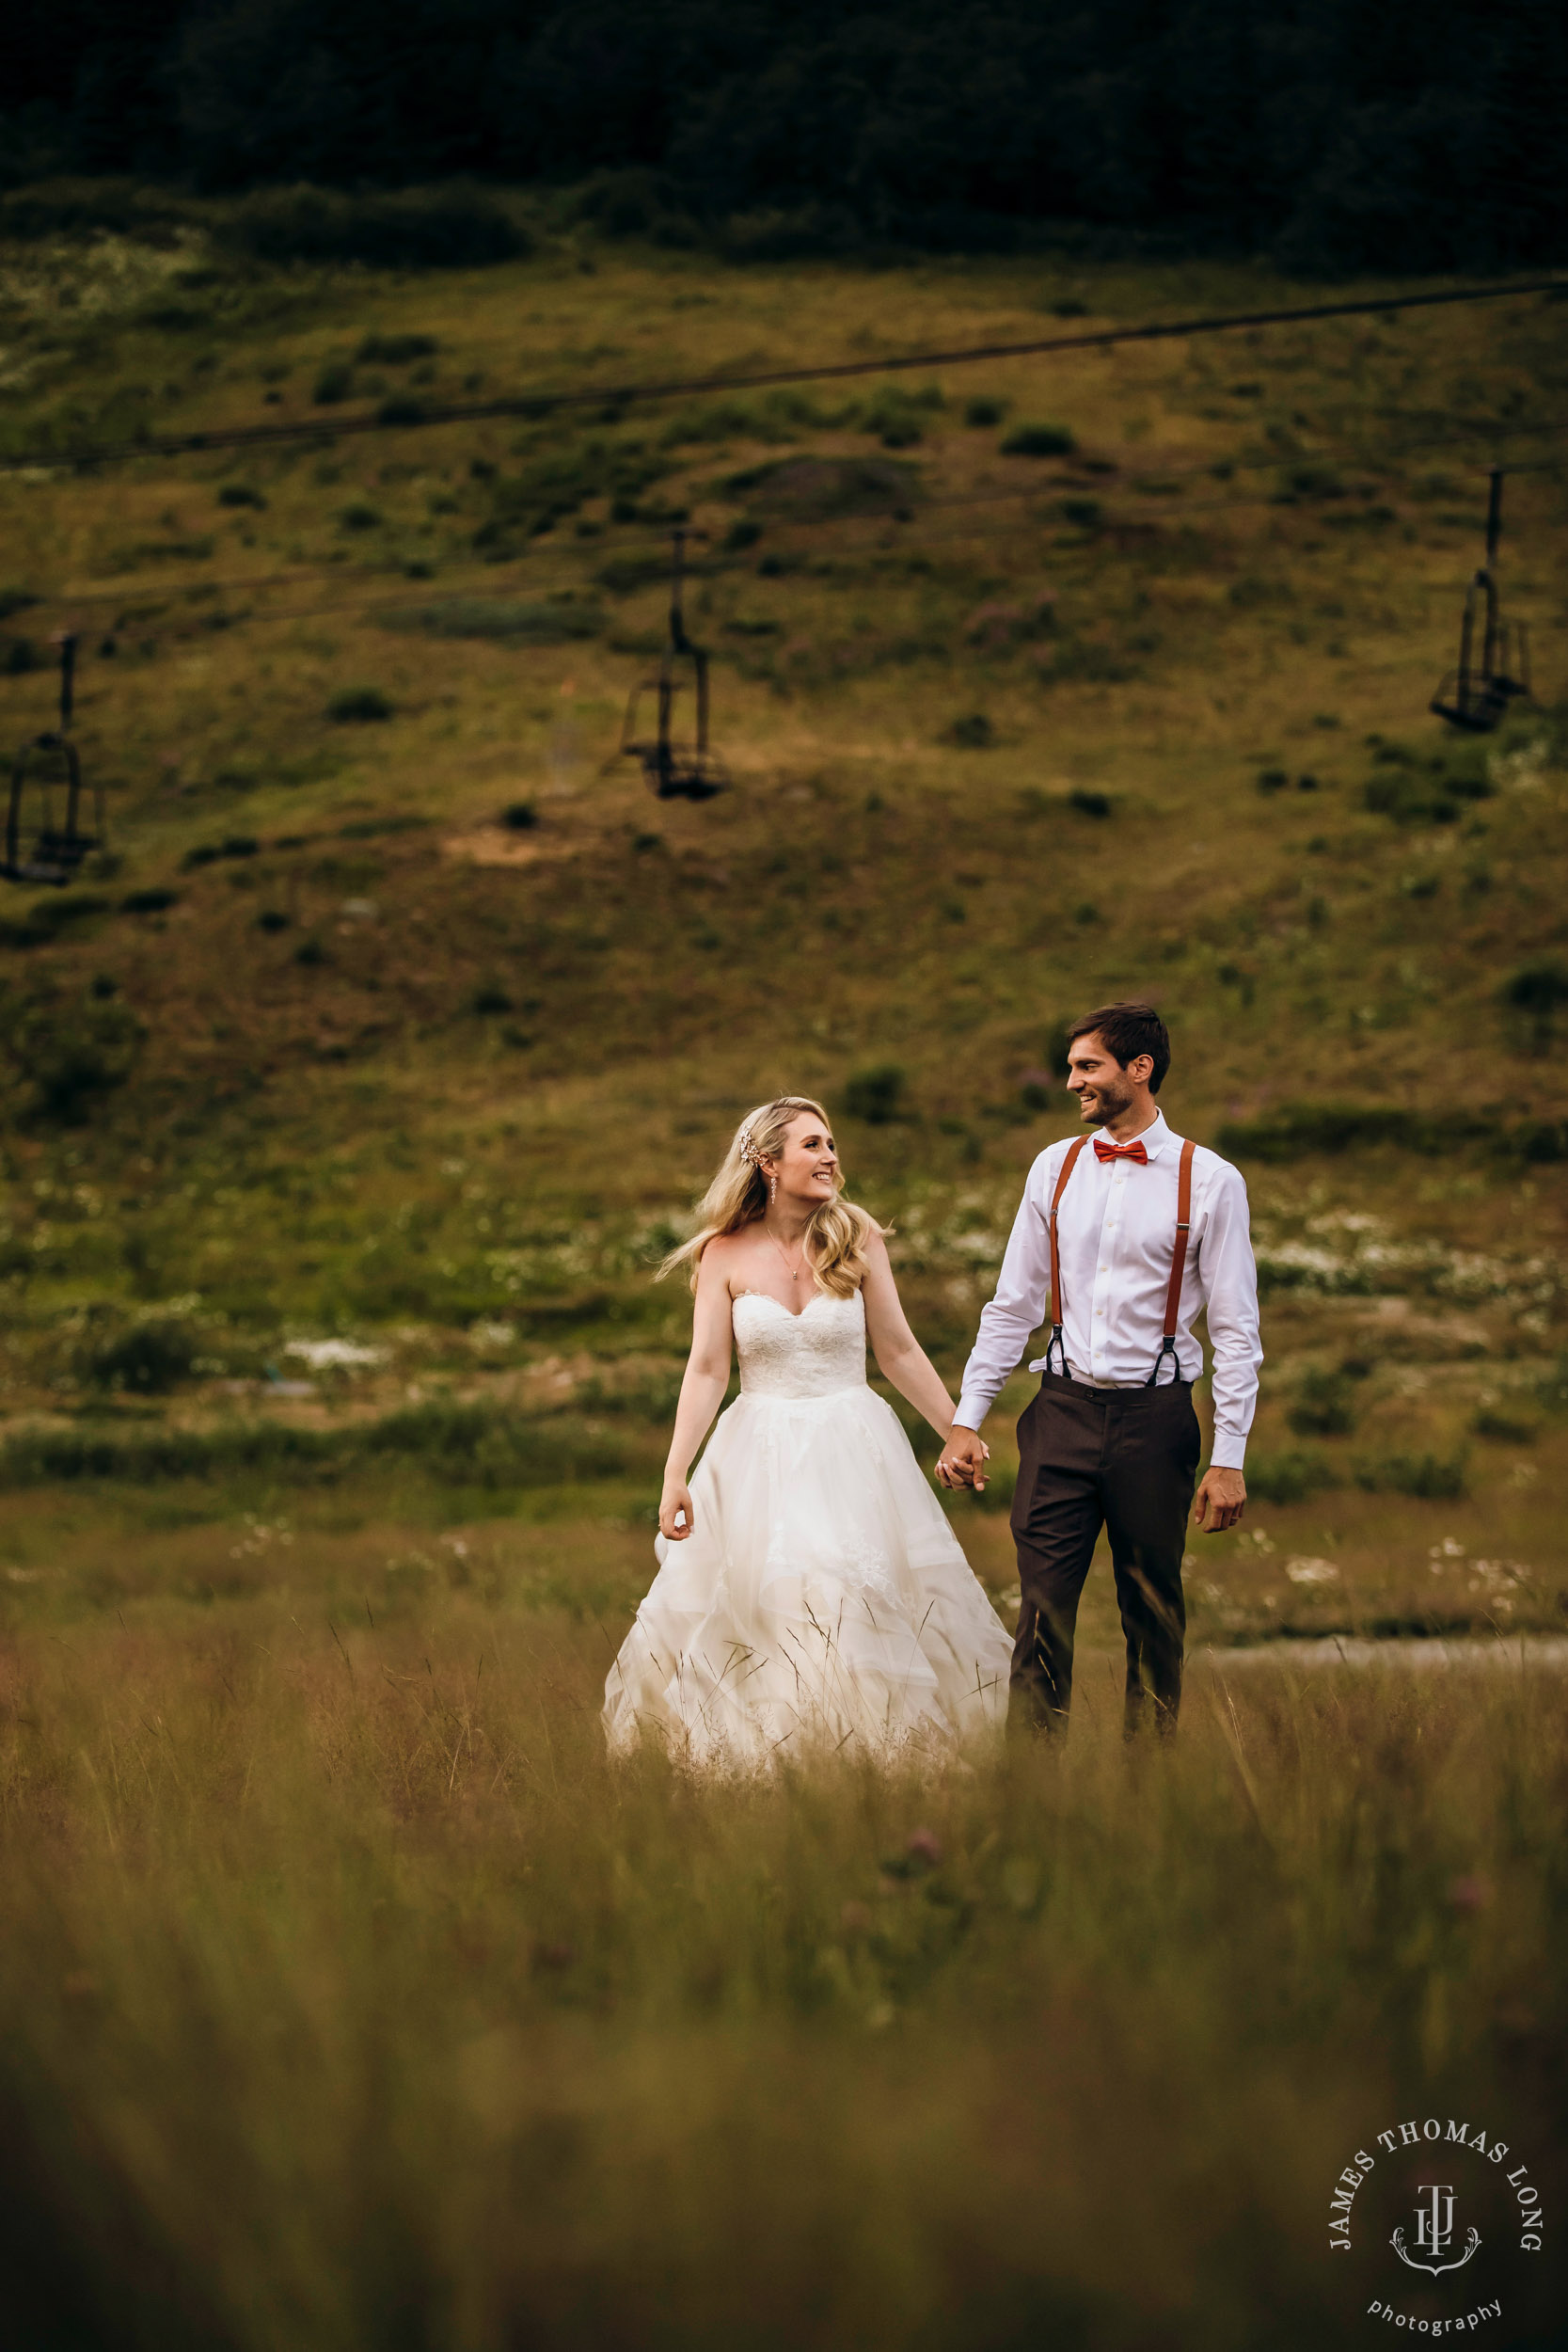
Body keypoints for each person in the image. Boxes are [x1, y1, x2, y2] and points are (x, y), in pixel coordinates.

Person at [603, 1096, 1012, 1769]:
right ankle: (771, 1763)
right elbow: (707, 1370)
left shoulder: (856, 1237)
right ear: (767, 1161)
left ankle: (875, 1761)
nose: (830, 1157)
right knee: (765, 1604)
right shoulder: (721, 1253)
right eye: (813, 1145)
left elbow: (899, 1351)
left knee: (849, 1590)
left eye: (831, 1145)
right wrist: (676, 1473)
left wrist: (956, 1428)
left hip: (853, 1447)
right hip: (757, 1452)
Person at [938, 1004, 1261, 1737]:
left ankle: (1147, 1791)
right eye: (1072, 1066)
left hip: (1156, 1421)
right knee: (1041, 1609)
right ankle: (1033, 1787)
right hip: (1060, 1414)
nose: (1070, 1082)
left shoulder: (1210, 1180)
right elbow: (1012, 1303)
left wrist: (1229, 1457)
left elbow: (1237, 1332)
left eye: (1087, 1066)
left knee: (1150, 1610)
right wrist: (967, 1417)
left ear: (1138, 1069)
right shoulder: (1053, 1168)